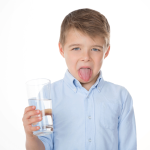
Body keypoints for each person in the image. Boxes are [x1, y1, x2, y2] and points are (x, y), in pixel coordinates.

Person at [22, 8, 137, 150]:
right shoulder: (48, 95)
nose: (86, 57)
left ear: (106, 51)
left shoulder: (121, 97)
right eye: (76, 48)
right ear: (61, 49)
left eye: (95, 49)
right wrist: (31, 136)